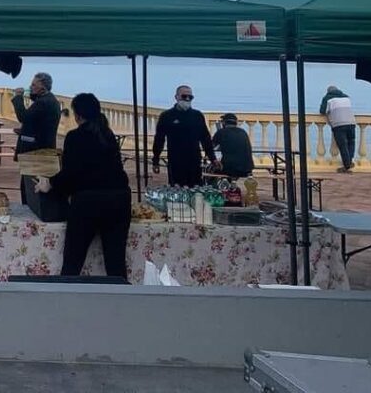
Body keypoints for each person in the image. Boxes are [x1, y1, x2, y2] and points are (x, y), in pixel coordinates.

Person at [38, 93, 131, 279]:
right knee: (116, 264)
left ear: (77, 115)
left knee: (72, 263)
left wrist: (49, 184)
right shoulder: (108, 134)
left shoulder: (75, 137)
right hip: (119, 199)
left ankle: (67, 294)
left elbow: (70, 174)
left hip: (88, 202)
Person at [152, 85, 217, 187]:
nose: (187, 99)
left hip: (194, 160)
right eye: (184, 96)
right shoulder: (166, 116)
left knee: (195, 189)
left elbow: (205, 139)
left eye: (190, 97)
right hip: (175, 161)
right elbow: (159, 139)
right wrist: (156, 160)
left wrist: (213, 158)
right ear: (176, 97)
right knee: (177, 189)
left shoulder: (197, 116)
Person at [12, 72, 61, 204]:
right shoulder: (50, 100)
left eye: (34, 85)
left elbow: (24, 117)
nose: (30, 87)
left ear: (42, 87)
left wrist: (18, 97)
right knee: (32, 184)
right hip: (42, 149)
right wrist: (24, 131)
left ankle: (29, 209)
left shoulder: (43, 103)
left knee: (30, 186)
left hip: (36, 152)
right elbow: (39, 123)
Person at [320, 85, 357, 173]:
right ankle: (349, 161)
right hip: (351, 122)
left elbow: (322, 111)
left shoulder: (327, 98)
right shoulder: (346, 97)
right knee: (351, 142)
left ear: (328, 92)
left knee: (343, 145)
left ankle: (347, 166)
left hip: (339, 124)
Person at [211, 113, 254, 179]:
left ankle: (215, 185)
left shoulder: (221, 132)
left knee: (211, 169)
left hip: (230, 169)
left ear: (224, 123)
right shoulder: (243, 132)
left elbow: (210, 147)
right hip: (247, 168)